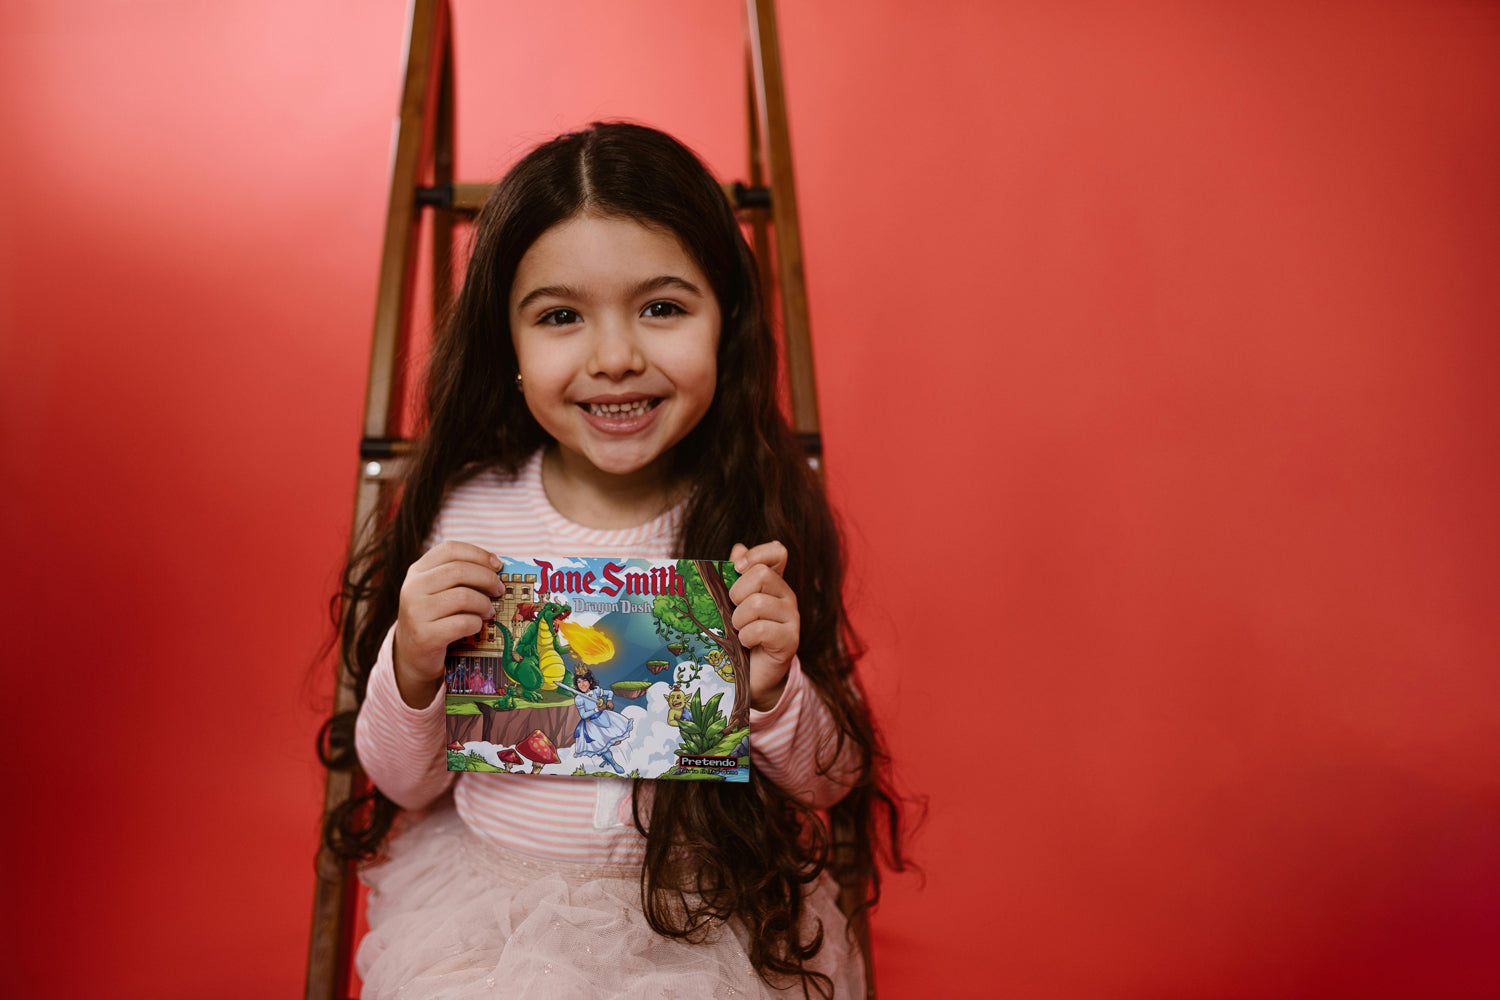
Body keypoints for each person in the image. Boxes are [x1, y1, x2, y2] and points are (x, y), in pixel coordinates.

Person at [319, 122, 905, 999]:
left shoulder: (756, 519)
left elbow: (832, 781)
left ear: (727, 318)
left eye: (662, 307)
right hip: (498, 921)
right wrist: (412, 665)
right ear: (507, 347)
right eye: (560, 317)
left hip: (706, 919)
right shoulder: (473, 513)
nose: (617, 357)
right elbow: (403, 782)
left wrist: (777, 686)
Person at [557, 667, 633, 774]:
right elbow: (583, 715)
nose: (582, 684)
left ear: (590, 681)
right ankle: (613, 762)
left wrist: (610, 701)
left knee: (615, 740)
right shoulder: (579, 698)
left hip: (605, 718)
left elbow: (609, 693)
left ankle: (606, 758)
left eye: (584, 681)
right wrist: (597, 709)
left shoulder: (596, 690)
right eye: (579, 682)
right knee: (601, 746)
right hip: (592, 724)